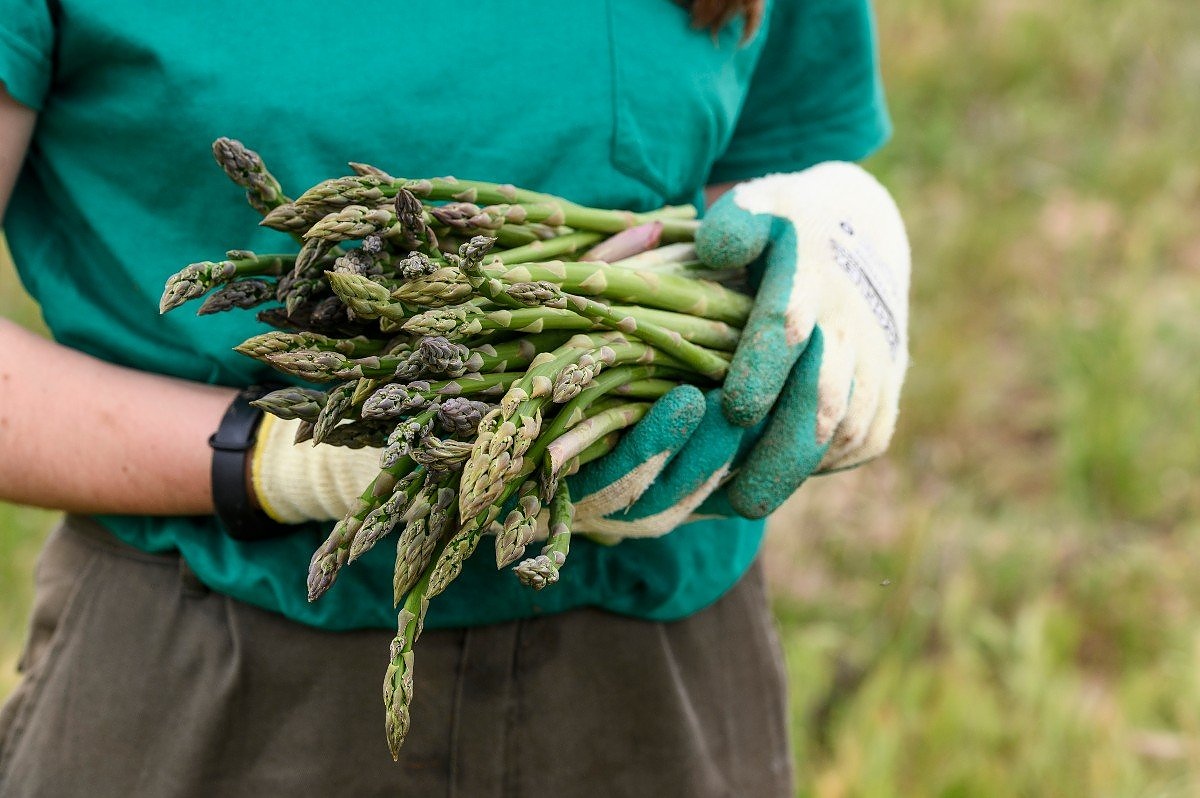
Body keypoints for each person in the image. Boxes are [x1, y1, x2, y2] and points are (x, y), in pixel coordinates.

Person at [0, 0, 909, 795]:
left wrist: (836, 235)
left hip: (649, 664)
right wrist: (285, 460)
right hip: (211, 662)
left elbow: (767, 168)